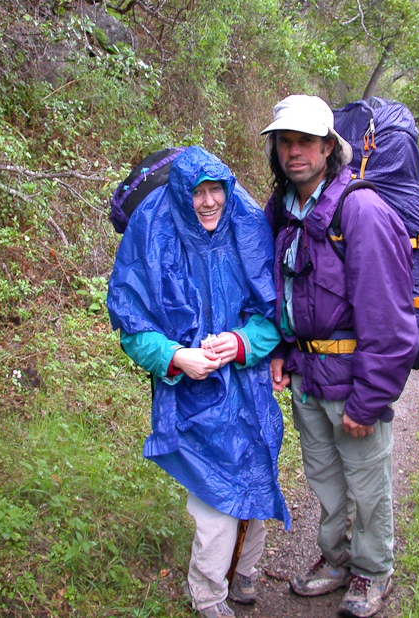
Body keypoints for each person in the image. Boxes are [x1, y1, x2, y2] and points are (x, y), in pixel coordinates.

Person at [107, 146, 290, 618]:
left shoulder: (246, 225)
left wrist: (242, 341)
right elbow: (132, 330)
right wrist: (176, 356)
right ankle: (208, 593)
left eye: (216, 191)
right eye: (198, 193)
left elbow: (275, 316)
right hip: (192, 396)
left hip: (248, 389)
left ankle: (245, 571)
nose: (209, 202)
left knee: (258, 474)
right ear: (180, 195)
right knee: (214, 503)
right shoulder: (154, 234)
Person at [260, 94, 419, 618]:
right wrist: (284, 349)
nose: (294, 151)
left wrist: (368, 400)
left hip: (353, 381)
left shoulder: (362, 210)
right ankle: (336, 560)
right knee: (325, 479)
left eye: (306, 140)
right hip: (307, 376)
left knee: (367, 484)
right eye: (285, 141)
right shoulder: (283, 209)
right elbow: (284, 288)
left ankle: (373, 571)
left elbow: (390, 321)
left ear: (330, 147)